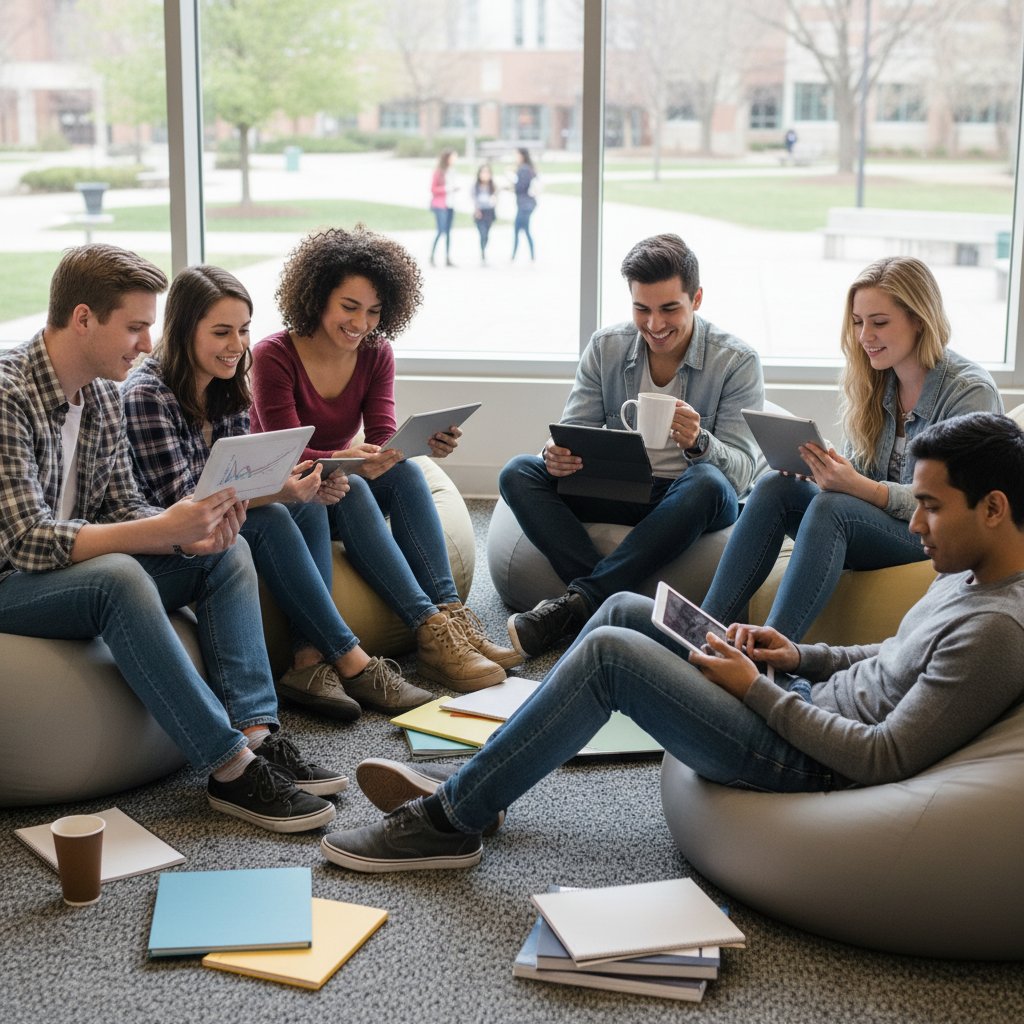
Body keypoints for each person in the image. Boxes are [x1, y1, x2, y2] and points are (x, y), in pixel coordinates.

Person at [320, 411, 1024, 872]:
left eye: (930, 506)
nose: (916, 523)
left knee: (608, 656)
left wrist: (755, 691)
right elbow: (892, 656)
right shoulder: (968, 573)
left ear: (993, 509)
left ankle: (447, 821)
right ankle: (492, 777)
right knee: (632, 607)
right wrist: (793, 654)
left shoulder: (997, 629)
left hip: (806, 760)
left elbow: (883, 757)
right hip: (799, 696)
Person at [0, 243, 344, 833]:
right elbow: (29, 541)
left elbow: (123, 506)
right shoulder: (9, 395)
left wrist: (186, 537)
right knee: (118, 576)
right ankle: (229, 767)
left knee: (228, 550)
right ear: (83, 319)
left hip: (69, 570)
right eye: (134, 327)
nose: (145, 344)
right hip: (13, 580)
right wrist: (159, 531)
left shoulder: (104, 394)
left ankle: (256, 735)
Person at [122, 264, 433, 721]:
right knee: (274, 515)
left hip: (216, 516)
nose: (237, 346)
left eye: (244, 330)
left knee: (305, 506)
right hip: (167, 532)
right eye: (222, 332)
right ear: (186, 330)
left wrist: (293, 487)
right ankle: (352, 659)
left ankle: (309, 662)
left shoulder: (227, 384)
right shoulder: (148, 395)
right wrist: (277, 492)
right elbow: (184, 506)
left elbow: (241, 474)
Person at [250, 225, 520, 692]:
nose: (361, 323)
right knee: (352, 488)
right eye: (349, 307)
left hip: (337, 481)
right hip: (288, 494)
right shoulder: (273, 355)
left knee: (408, 473)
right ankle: (427, 629)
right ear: (317, 298)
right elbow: (283, 449)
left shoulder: (376, 352)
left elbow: (381, 436)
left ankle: (449, 619)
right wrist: (345, 458)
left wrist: (419, 443)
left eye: (374, 312)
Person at [701, 256, 1002, 642]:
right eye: (858, 322)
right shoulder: (877, 381)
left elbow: (953, 502)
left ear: (918, 319)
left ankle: (772, 653)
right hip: (873, 522)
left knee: (834, 509)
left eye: (879, 323)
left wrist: (858, 488)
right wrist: (826, 469)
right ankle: (701, 631)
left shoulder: (968, 391)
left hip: (934, 531)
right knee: (776, 486)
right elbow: (860, 472)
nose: (864, 337)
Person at [500, 232, 763, 658]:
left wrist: (698, 441)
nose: (655, 325)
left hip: (688, 499)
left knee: (708, 483)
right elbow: (574, 427)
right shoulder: (606, 346)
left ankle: (577, 604)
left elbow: (740, 475)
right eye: (642, 309)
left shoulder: (736, 362)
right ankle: (596, 601)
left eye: (669, 309)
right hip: (620, 487)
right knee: (517, 472)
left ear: (696, 299)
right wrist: (556, 455)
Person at [430, 149, 457, 267]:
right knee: (441, 231)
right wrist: (447, 189)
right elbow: (433, 189)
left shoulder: (452, 171)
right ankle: (432, 256)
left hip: (450, 204)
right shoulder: (438, 172)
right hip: (440, 205)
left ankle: (447, 258)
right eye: (453, 157)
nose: (455, 159)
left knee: (448, 232)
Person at [510, 147, 537, 262]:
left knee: (520, 230)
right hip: (527, 204)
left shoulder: (523, 169)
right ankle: (529, 255)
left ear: (521, 156)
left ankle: (515, 255)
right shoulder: (529, 168)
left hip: (525, 205)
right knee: (524, 229)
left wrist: (512, 180)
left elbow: (520, 187)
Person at [471, 163, 498, 265]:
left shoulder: (493, 186)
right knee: (482, 233)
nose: (485, 175)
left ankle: (484, 248)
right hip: (480, 212)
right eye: (483, 172)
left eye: (487, 172)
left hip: (489, 212)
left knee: (487, 234)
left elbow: (496, 198)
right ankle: (482, 252)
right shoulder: (476, 186)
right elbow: (473, 198)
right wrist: (476, 209)